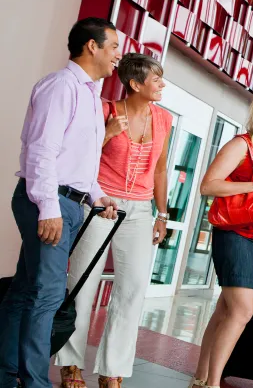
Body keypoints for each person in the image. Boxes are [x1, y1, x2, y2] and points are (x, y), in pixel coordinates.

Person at [0, 18, 120, 388]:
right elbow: (42, 151)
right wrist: (48, 208)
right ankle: (34, 381)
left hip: (67, 200)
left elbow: (77, 161)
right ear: (91, 46)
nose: (118, 54)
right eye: (113, 46)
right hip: (48, 200)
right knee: (48, 293)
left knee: (26, 290)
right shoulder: (60, 87)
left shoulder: (88, 93)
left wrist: (97, 194)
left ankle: (6, 374)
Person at [53, 53, 173, 388]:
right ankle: (70, 364)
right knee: (82, 284)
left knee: (132, 288)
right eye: (156, 79)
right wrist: (107, 133)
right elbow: (79, 156)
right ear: (135, 84)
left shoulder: (163, 119)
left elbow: (161, 169)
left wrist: (162, 214)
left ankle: (112, 370)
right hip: (100, 203)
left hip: (140, 210)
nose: (162, 84)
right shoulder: (105, 109)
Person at [188, 90, 253, 388]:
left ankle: (200, 378)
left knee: (226, 309)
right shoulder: (241, 145)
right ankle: (212, 383)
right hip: (235, 233)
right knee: (242, 310)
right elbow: (208, 186)